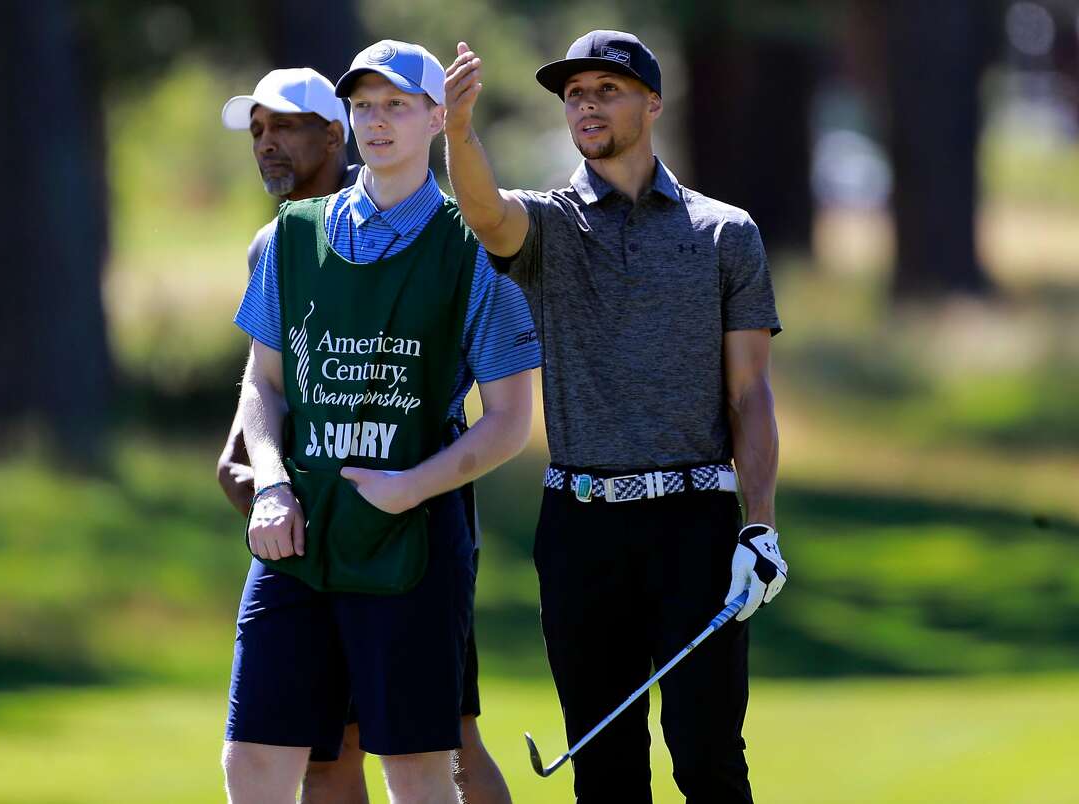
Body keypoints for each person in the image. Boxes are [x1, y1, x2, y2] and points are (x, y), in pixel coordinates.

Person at [443, 30, 788, 803]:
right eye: (574, 94)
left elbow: (750, 393)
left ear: (654, 102)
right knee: (605, 769)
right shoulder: (551, 225)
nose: (586, 104)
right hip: (580, 527)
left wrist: (757, 525)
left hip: (696, 524)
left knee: (708, 756)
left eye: (607, 89)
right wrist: (459, 133)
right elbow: (483, 212)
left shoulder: (724, 232)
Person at [221, 40, 538, 804]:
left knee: (418, 768)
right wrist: (270, 484)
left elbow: (509, 421)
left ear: (438, 116)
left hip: (413, 545)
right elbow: (263, 385)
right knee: (252, 758)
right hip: (296, 538)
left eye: (397, 104)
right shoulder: (293, 236)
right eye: (364, 105)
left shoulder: (476, 252)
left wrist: (412, 487)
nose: (377, 121)